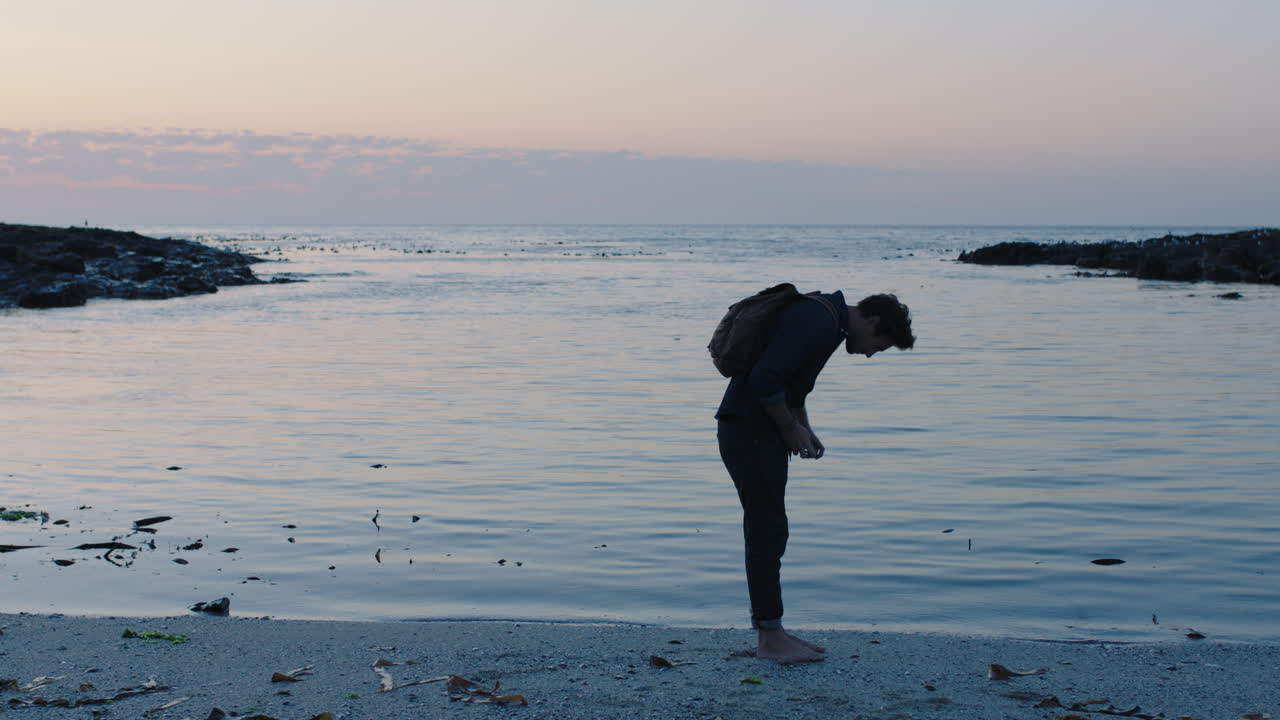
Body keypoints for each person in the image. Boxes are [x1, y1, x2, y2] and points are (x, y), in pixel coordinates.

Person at [715, 290, 915, 663]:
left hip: (755, 430)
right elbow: (765, 379)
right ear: (871, 322)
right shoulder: (819, 320)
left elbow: (793, 386)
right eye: (879, 345)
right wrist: (791, 430)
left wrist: (804, 427)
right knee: (766, 528)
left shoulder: (828, 322)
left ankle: (773, 630)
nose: (871, 354)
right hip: (749, 430)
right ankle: (770, 639)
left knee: (772, 528)